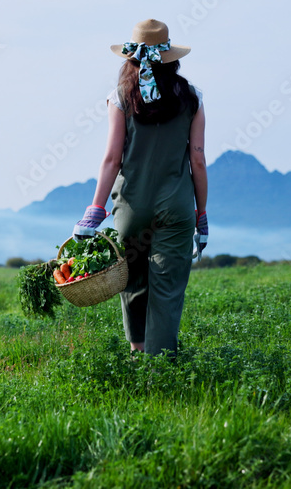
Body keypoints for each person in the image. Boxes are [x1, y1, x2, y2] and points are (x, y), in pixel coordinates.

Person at [72, 19, 208, 357]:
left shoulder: (120, 97)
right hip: (176, 207)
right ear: (171, 57)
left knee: (132, 282)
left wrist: (95, 211)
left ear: (131, 56)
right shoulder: (191, 97)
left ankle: (137, 352)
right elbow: (198, 160)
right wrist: (201, 214)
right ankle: (160, 368)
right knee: (167, 290)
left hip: (131, 207)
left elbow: (111, 158)